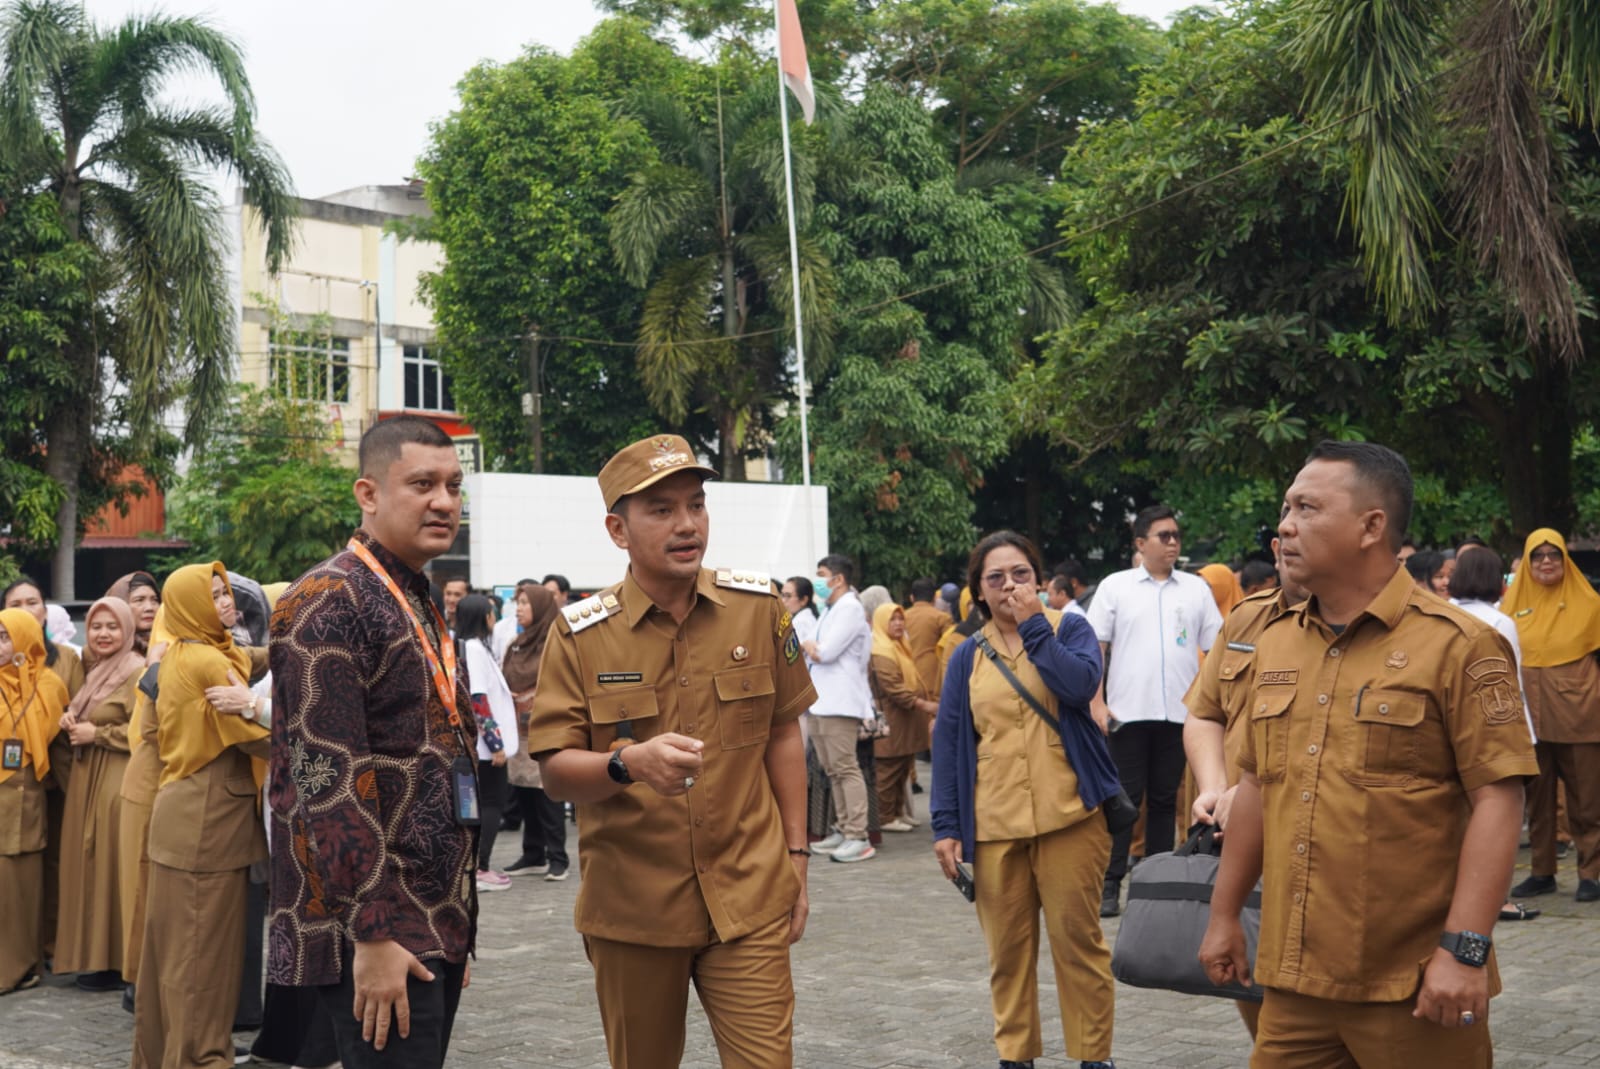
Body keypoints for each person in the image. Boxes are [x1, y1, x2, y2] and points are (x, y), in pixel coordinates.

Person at [1199, 441, 1537, 1069]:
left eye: (1307, 508)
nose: (1285, 525)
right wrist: (1224, 914)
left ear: (1371, 526)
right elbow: (1256, 785)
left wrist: (1464, 951)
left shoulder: (1459, 645)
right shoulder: (1276, 642)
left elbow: (1498, 797)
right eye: (1286, 508)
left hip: (1413, 985)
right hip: (1295, 982)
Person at [526, 432, 816, 1069]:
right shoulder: (580, 635)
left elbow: (782, 732)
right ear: (618, 530)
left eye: (696, 505)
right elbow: (555, 771)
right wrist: (627, 763)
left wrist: (797, 855)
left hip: (749, 895)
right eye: (661, 510)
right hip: (635, 910)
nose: (687, 525)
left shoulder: (757, 610)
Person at [268, 415, 478, 1069]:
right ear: (368, 493)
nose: (443, 501)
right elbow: (325, 781)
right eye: (422, 484)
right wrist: (375, 931)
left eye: (453, 485)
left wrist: (454, 919)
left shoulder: (413, 594)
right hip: (378, 925)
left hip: (431, 913)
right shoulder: (329, 599)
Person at [931, 530, 1118, 1069]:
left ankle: (1093, 1057)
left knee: (1078, 945)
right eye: (996, 578)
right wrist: (946, 826)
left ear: (1038, 579)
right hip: (995, 826)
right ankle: (1016, 1057)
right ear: (979, 591)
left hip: (1071, 817)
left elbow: (1079, 686)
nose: (1009, 585)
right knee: (1007, 955)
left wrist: (1035, 625)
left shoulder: (1070, 628)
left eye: (1021, 574)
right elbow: (949, 742)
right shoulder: (966, 656)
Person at [131, 563, 273, 1069]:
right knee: (202, 954)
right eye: (213, 596)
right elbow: (261, 740)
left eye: (226, 592)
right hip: (208, 823)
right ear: (191, 606)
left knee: (170, 953)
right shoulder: (210, 662)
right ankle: (198, 1058)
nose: (226, 602)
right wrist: (315, 731)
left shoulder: (181, 651)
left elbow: (252, 657)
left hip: (182, 813)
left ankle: (164, 1054)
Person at [1184, 537, 1310, 1039]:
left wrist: (1256, 793)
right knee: (1259, 1008)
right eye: (1287, 520)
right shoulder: (1245, 619)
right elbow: (1204, 713)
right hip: (1238, 849)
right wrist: (1216, 789)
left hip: (1321, 860)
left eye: (1310, 512)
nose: (1293, 535)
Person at [1087, 506, 1223, 917]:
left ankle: (1156, 884)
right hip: (1127, 711)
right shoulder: (1116, 586)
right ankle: (1110, 883)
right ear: (1140, 543)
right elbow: (1095, 647)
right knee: (1125, 800)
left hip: (1179, 715)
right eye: (1164, 536)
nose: (1173, 543)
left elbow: (1216, 647)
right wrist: (1096, 702)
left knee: (1165, 801)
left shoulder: (1195, 590)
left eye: (1176, 535)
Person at [1502, 529, 1600, 904]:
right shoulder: (1511, 607)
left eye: (1554, 554)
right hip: (1529, 718)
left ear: (1565, 559)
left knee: (1586, 800)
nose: (1546, 561)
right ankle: (1542, 872)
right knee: (1537, 799)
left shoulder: (1590, 604)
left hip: (1580, 716)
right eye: (1538, 555)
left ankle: (1590, 874)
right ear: (1527, 562)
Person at [53, 597, 144, 991]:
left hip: (115, 776)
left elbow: (144, 731)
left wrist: (98, 734)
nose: (103, 634)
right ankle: (96, 957)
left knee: (111, 866)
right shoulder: (95, 670)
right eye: (96, 627)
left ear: (127, 630)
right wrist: (72, 720)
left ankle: (121, 961)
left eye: (112, 626)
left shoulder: (136, 670)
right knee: (89, 865)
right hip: (88, 776)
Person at [0, 608, 70, 994]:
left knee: (21, 890)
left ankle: (19, 966)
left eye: (5, 636)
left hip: (24, 800)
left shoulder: (48, 685)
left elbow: (49, 740)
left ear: (26, 639)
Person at [803, 554, 876, 863]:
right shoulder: (830, 609)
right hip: (822, 699)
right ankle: (844, 828)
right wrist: (812, 647)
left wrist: (811, 647)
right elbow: (811, 646)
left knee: (845, 767)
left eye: (822, 574)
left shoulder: (850, 608)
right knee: (832, 769)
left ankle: (858, 835)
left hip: (840, 700)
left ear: (838, 579)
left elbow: (826, 652)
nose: (818, 580)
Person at [501, 582, 568, 881]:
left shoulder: (556, 642)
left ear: (540, 608)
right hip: (518, 731)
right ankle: (533, 854)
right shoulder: (516, 643)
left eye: (525, 603)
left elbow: (561, 682)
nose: (518, 608)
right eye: (517, 603)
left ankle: (558, 858)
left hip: (545, 728)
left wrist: (530, 697)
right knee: (524, 792)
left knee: (547, 794)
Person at [455, 593, 518, 892]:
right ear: (484, 617)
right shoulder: (475, 650)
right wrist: (495, 744)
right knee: (492, 803)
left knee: (483, 804)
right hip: (486, 748)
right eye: (491, 613)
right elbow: (478, 699)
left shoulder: (474, 647)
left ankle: (476, 866)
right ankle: (481, 868)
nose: (494, 617)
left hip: (482, 745)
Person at [870, 603, 937, 832]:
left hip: (905, 720)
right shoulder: (880, 650)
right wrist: (923, 704)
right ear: (881, 623)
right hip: (892, 719)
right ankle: (885, 817)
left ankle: (898, 813)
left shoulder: (898, 646)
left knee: (902, 767)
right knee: (888, 770)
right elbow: (894, 688)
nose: (898, 624)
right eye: (893, 619)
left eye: (901, 619)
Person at [904, 577, 953, 699]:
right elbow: (950, 648)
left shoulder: (902, 618)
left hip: (906, 677)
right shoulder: (942, 618)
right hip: (933, 677)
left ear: (912, 598)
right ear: (935, 598)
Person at [106, 572, 162, 655]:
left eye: (154, 600)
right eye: (139, 600)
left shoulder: (170, 645)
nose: (149, 608)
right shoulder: (104, 647)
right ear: (121, 605)